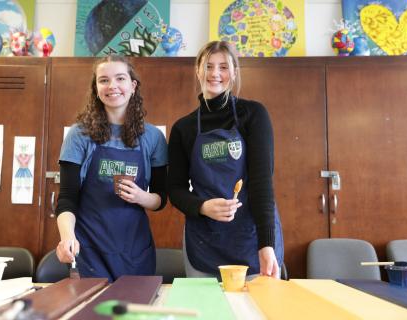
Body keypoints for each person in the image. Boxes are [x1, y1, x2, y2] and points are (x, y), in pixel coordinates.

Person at [168, 41, 284, 278]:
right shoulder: (184, 127)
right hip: (204, 244)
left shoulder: (253, 114)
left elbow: (262, 184)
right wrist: (202, 206)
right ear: (198, 70)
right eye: (208, 66)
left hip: (250, 240)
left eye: (223, 66)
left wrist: (266, 244)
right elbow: (175, 189)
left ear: (234, 72)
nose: (215, 74)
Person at [55, 55, 168, 281]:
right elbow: (67, 198)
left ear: (132, 85)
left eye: (120, 78)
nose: (112, 86)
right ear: (96, 88)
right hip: (89, 251)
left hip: (136, 250)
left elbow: (161, 199)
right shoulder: (79, 135)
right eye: (104, 80)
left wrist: (140, 196)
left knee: (132, 315)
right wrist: (67, 237)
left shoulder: (153, 137)